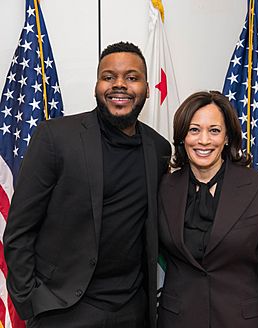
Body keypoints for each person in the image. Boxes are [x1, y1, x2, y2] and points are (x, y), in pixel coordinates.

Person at [3, 41, 171, 328]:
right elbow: (19, 230)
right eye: (109, 77)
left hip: (132, 311)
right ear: (97, 85)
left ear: (146, 87)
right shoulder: (55, 137)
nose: (120, 85)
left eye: (132, 77)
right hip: (63, 310)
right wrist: (31, 302)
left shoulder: (158, 149)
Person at [157, 91, 258, 328]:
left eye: (214, 130)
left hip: (240, 321)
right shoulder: (163, 187)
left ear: (227, 136)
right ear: (182, 137)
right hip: (178, 320)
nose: (204, 140)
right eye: (194, 130)